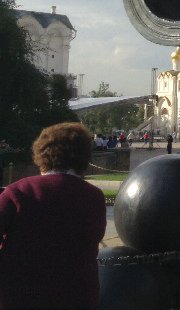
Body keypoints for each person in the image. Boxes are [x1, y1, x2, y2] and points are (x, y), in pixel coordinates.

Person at [0, 122, 107, 309]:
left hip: (22, 295)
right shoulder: (94, 197)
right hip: (78, 297)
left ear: (41, 154)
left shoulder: (19, 192)